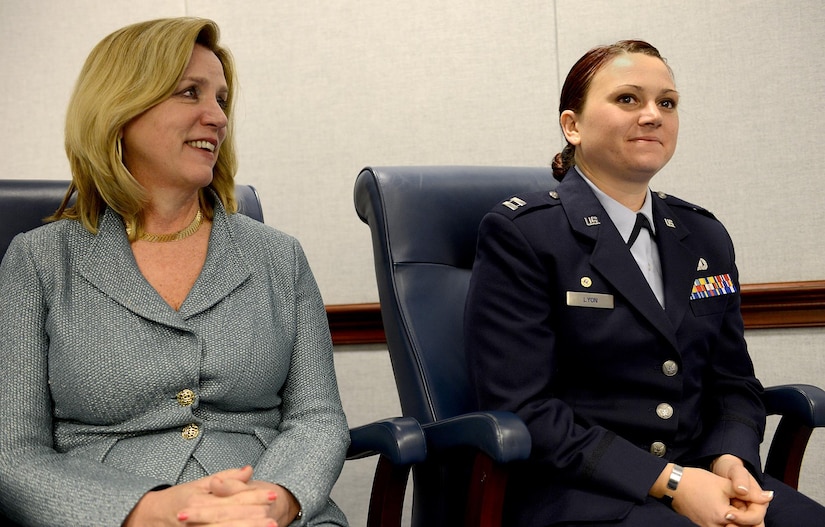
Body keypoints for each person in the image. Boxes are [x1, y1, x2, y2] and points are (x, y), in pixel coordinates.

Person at [0, 18, 350, 527]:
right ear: (120, 108)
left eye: (222, 100)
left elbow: (317, 418)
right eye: (191, 93)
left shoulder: (279, 256)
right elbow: (13, 454)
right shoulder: (39, 262)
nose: (217, 117)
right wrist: (146, 510)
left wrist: (274, 499)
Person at [464, 40, 825, 527]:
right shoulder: (524, 234)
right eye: (628, 99)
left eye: (667, 102)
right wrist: (672, 482)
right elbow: (526, 410)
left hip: (704, 475)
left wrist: (731, 463)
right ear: (572, 126)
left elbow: (733, 382)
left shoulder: (703, 235)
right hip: (581, 489)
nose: (653, 115)